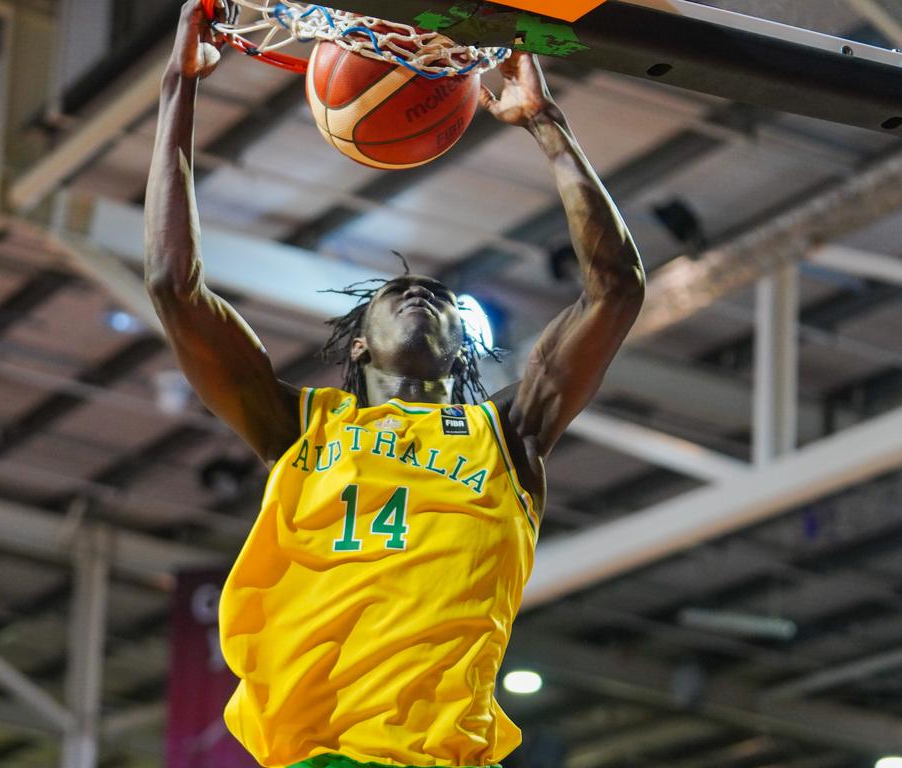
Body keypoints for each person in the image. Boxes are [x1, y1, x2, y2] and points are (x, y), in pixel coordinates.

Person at [145, 3, 646, 768]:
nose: (423, 297)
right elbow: (175, 287)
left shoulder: (509, 436)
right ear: (357, 341)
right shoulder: (298, 425)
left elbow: (616, 290)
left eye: (444, 301)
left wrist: (546, 121)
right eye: (396, 294)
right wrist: (179, 89)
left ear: (462, 348)